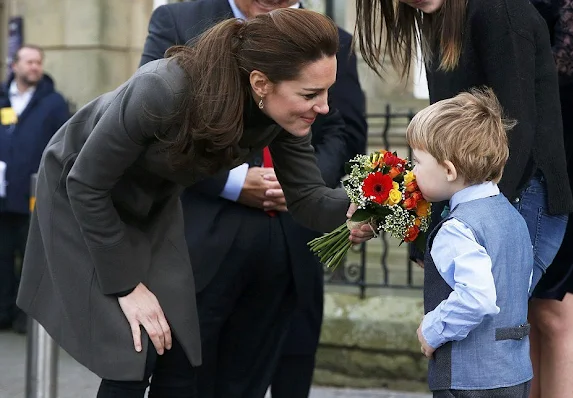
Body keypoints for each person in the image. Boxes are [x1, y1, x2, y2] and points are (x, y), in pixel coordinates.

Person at [16, 9, 374, 398]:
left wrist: (367, 204)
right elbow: (85, 184)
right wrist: (127, 287)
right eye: (310, 94)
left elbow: (307, 199)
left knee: (183, 352)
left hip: (153, 206)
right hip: (78, 197)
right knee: (134, 350)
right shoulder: (164, 88)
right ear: (261, 83)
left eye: (326, 92)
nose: (323, 108)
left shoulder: (281, 117)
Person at [140, 1, 367, 397]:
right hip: (201, 242)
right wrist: (232, 180)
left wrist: (296, 183)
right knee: (181, 380)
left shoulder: (331, 42)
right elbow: (153, 127)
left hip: (289, 244)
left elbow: (344, 132)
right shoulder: (177, 21)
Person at [354, 0, 573, 315]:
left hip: (519, 192)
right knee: (468, 328)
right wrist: (426, 227)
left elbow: (515, 129)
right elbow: (443, 143)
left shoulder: (499, 10)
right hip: (472, 195)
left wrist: (474, 221)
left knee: (484, 329)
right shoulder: (437, 19)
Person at [412, 88, 533, 397]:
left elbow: (477, 299)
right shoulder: (512, 216)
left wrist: (432, 329)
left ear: (449, 170)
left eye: (418, 162)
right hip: (514, 372)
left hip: (468, 381)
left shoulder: (458, 228)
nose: (413, 171)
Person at [527, 1, 573, 396]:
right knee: (532, 305)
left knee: (558, 305)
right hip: (531, 136)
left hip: (572, 137)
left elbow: (572, 56)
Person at [0, 44, 70, 334]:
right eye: (29, 62)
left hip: (35, 195)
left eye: (38, 62)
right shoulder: (3, 98)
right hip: (3, 197)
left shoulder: (53, 103)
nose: (34, 67)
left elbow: (64, 143)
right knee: (3, 258)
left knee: (31, 260)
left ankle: (24, 319)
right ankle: (2, 313)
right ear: (14, 65)